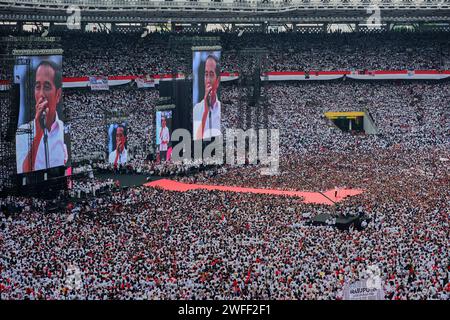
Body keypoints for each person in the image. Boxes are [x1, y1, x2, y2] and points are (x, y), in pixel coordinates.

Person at [16, 60, 67, 173]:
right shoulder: (22, 132)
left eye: (47, 87)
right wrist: (38, 133)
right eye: (38, 87)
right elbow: (23, 173)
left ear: (58, 95)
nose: (41, 94)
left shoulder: (63, 129)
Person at [193, 54, 221, 140]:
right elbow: (196, 140)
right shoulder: (197, 109)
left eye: (211, 75)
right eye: (206, 74)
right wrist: (205, 112)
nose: (208, 80)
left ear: (218, 80)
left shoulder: (221, 108)